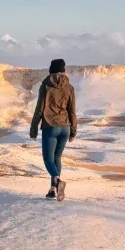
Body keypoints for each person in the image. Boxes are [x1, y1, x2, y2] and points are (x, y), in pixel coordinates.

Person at [30, 59, 78, 201]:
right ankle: (52, 190)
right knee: (57, 158)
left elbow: (39, 109)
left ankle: (57, 181)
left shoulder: (45, 86)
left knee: (48, 159)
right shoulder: (69, 87)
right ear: (63, 70)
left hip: (50, 127)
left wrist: (33, 129)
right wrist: (73, 130)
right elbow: (72, 110)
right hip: (65, 127)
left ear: (50, 70)